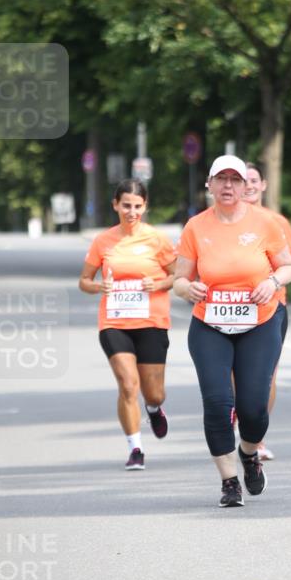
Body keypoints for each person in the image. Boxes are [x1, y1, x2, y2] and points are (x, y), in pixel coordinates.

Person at [174, 155, 291, 508]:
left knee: (254, 408)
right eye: (221, 179)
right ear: (209, 185)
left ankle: (248, 454)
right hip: (209, 324)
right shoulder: (196, 227)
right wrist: (187, 289)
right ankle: (229, 482)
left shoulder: (266, 224)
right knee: (216, 403)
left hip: (259, 322)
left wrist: (272, 282)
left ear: (245, 187)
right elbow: (180, 277)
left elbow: (287, 266)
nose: (228, 186)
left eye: (235, 180)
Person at [78, 179, 176, 470]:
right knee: (127, 384)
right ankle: (135, 447)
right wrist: (99, 288)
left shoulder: (157, 239)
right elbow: (84, 281)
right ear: (115, 205)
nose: (131, 212)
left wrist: (156, 283)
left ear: (145, 207)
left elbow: (178, 277)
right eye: (126, 205)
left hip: (151, 321)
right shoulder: (103, 241)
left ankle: (154, 408)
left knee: (153, 391)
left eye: (137, 206)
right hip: (114, 321)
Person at [242, 161, 291, 460]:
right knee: (233, 375)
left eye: (255, 180)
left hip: (272, 307)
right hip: (232, 308)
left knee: (267, 374)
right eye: (245, 180)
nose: (250, 185)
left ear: (264, 184)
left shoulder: (276, 222)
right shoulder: (225, 221)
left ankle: (257, 438)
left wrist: (272, 281)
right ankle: (240, 424)